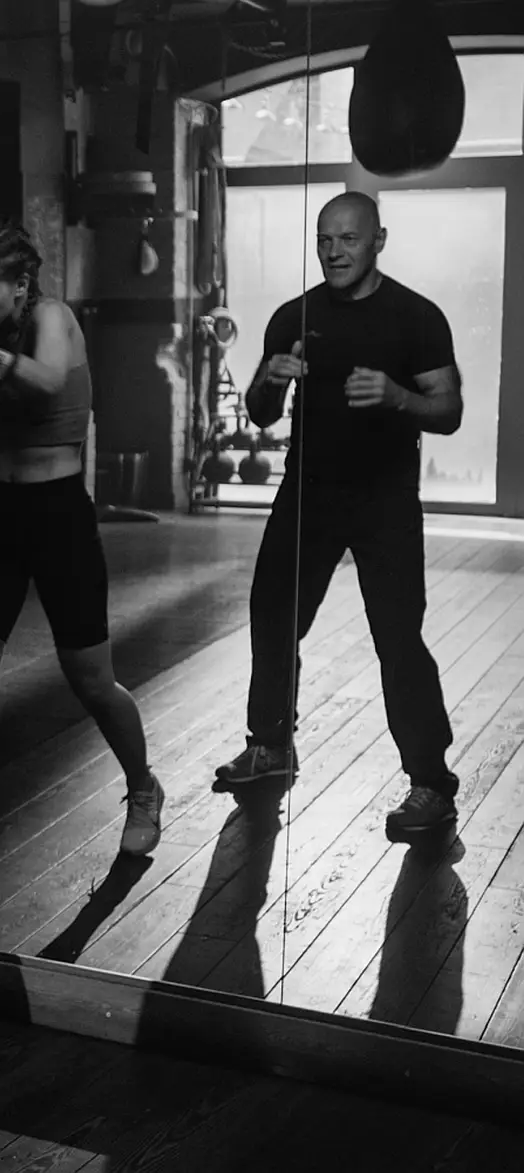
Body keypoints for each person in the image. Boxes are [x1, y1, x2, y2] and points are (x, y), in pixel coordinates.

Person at [0, 215, 165, 886]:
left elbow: (46, 381)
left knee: (91, 680)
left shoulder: (53, 318)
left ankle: (142, 785)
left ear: (21, 284)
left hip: (58, 516)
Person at [217, 192, 463, 841]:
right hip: (308, 494)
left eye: (348, 239)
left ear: (378, 240)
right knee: (272, 615)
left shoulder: (416, 317)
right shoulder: (293, 316)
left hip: (384, 498)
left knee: (397, 638)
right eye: (325, 239)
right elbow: (262, 412)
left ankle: (430, 783)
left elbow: (449, 409)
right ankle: (270, 744)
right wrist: (271, 379)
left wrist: (398, 394)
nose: (333, 251)